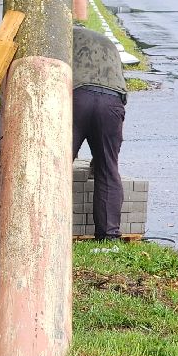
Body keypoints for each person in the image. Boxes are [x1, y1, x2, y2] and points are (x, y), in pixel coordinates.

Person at [72, 25, 128, 240]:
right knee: (108, 168)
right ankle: (109, 236)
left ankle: (48, 230)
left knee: (57, 167)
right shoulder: (106, 42)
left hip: (77, 97)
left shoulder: (58, 35)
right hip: (112, 102)